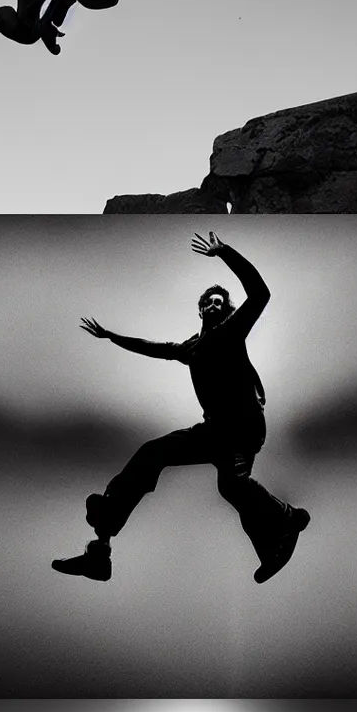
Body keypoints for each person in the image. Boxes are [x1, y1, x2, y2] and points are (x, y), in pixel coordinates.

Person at [54, 231, 308, 584]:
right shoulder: (191, 348)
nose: (215, 305)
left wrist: (225, 253)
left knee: (232, 486)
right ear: (201, 310)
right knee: (159, 456)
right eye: (209, 302)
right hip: (215, 431)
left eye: (221, 302)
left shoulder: (232, 332)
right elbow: (154, 347)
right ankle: (101, 546)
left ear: (228, 310)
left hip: (243, 427)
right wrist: (112, 337)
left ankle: (287, 518)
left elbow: (261, 293)